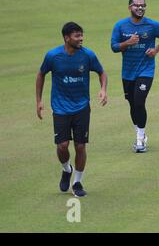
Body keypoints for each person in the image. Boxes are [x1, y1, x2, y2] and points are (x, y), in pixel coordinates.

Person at [36, 22, 108, 197]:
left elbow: (101, 72)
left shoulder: (88, 55)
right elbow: (41, 74)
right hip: (60, 108)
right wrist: (38, 101)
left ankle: (77, 182)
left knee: (80, 146)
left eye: (81, 35)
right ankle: (66, 169)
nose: (81, 38)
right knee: (62, 146)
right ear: (66, 38)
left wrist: (103, 89)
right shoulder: (53, 56)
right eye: (77, 36)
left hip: (82, 107)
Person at [111, 0, 159, 153]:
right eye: (136, 5)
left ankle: (140, 138)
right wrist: (127, 43)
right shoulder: (120, 26)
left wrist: (156, 49)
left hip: (146, 70)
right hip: (127, 72)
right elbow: (114, 47)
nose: (140, 8)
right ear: (130, 7)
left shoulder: (152, 25)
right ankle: (139, 133)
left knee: (139, 101)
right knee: (132, 104)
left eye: (143, 5)